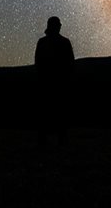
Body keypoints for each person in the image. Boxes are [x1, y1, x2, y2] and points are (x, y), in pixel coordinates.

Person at [34, 16, 74, 146]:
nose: (60, 26)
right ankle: (59, 140)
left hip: (48, 83)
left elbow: (38, 63)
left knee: (46, 112)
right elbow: (70, 63)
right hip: (58, 83)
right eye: (58, 25)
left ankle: (45, 140)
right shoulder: (64, 42)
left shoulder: (42, 42)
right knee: (59, 112)